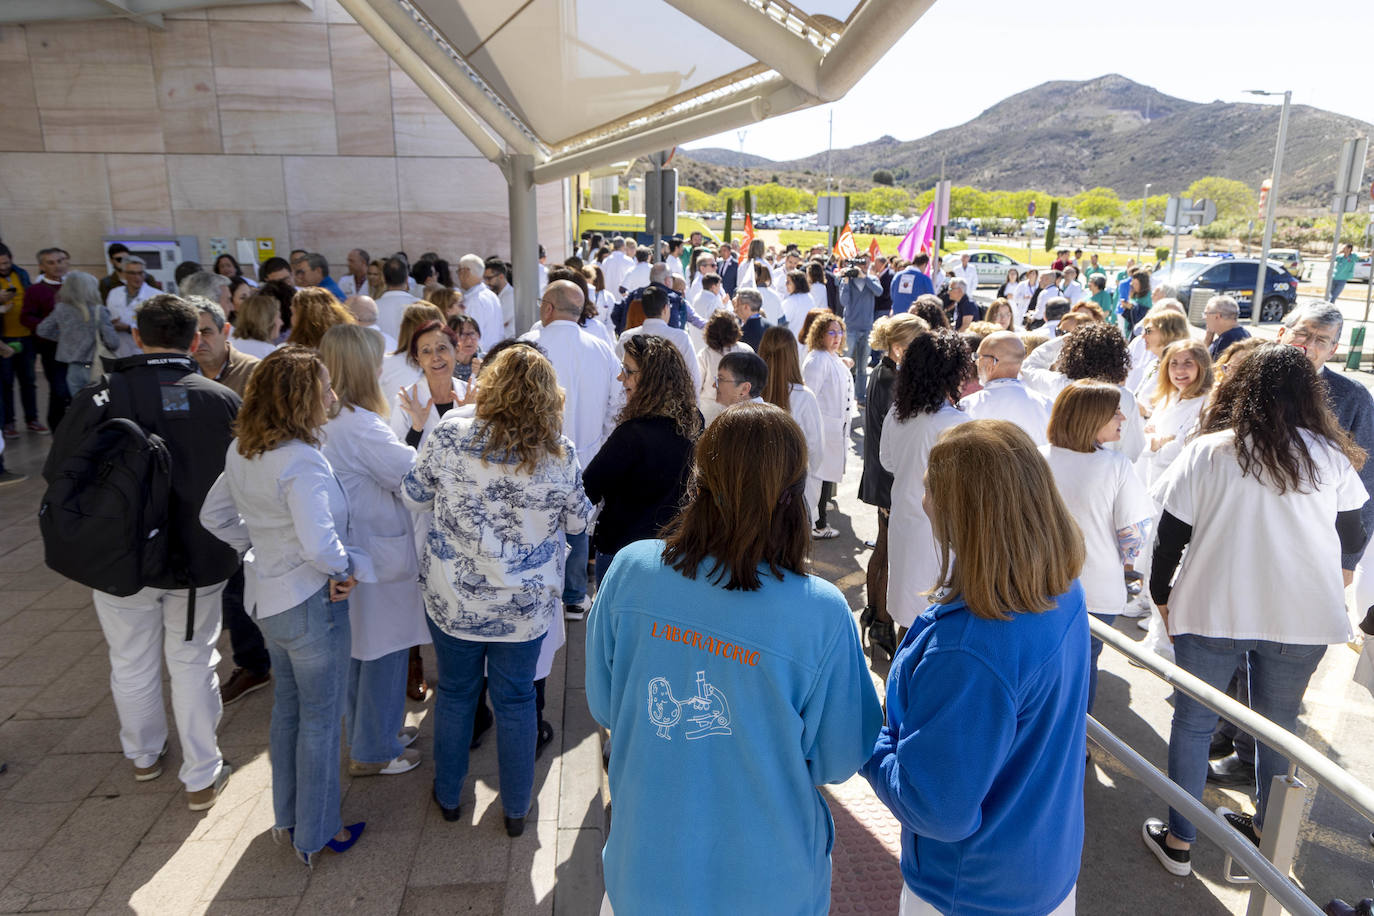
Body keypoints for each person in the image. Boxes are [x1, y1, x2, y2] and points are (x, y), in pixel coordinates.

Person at [586, 402, 883, 915]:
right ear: (794, 495)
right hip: (770, 880)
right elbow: (839, 758)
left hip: (645, 869)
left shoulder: (630, 569)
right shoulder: (819, 612)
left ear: (698, 480)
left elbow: (605, 703)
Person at [1142, 343, 1368, 877]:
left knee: (1194, 723)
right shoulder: (1331, 457)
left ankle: (1180, 839)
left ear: (1243, 389)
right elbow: (1354, 533)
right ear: (1310, 394)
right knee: (1278, 726)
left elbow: (1171, 537)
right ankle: (1266, 837)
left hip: (1212, 603)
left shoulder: (1210, 450)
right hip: (1301, 614)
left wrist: (1160, 596)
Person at [864, 420, 1090, 916]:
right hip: (1041, 864)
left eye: (930, 487)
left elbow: (936, 809)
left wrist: (868, 737)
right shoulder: (1061, 587)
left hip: (967, 890)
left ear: (964, 514)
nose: (923, 497)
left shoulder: (968, 651)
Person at [45, 293, 241, 812]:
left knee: (131, 658)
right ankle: (201, 773)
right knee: (193, 659)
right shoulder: (219, 399)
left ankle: (144, 757)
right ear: (195, 340)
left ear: (137, 336)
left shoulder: (99, 396)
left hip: (119, 559)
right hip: (199, 559)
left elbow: (57, 475)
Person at [402, 345, 590, 835]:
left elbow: (414, 494)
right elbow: (578, 520)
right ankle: (515, 809)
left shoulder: (449, 433)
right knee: (515, 700)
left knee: (457, 694)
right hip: (523, 610)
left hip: (454, 601)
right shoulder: (559, 450)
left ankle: (448, 796)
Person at [199, 346, 364, 865]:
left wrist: (259, 547)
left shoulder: (245, 450)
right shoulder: (301, 461)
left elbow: (215, 515)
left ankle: (290, 817)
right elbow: (319, 545)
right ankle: (316, 832)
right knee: (318, 718)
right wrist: (344, 572)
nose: (333, 396)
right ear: (301, 399)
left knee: (290, 712)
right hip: (311, 602)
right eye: (325, 388)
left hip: (270, 600)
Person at [319, 325, 428, 778]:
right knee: (385, 648)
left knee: (362, 648)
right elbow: (413, 477)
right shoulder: (360, 425)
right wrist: (423, 432)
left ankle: (371, 731)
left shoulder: (332, 418)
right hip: (375, 552)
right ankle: (374, 748)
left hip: (355, 548)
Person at [1043, 381, 1153, 712]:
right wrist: (1129, 561)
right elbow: (1133, 533)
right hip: (1095, 587)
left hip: (1038, 581)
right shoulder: (1116, 466)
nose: (1123, 416)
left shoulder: (1035, 457)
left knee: (1045, 668)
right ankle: (1078, 745)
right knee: (1083, 668)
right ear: (1090, 417)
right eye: (1114, 411)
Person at [522, 279, 623, 621]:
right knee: (577, 521)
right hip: (588, 453)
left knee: (535, 522)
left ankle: (539, 588)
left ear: (547, 308)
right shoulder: (601, 348)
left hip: (533, 454)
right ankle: (575, 596)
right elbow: (616, 404)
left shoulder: (528, 346)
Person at [584, 334, 701, 585]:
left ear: (652, 379)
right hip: (673, 552)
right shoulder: (693, 421)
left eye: (628, 371)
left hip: (623, 554)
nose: (620, 377)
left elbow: (588, 488)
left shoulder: (633, 433)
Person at [881, 331, 974, 627]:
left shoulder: (897, 413)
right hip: (941, 532)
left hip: (904, 521)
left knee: (907, 615)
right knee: (934, 616)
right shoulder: (957, 423)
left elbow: (887, 461)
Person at [857, 314, 927, 661]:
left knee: (884, 552)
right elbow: (892, 444)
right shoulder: (892, 380)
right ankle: (881, 620)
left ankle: (876, 616)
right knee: (887, 554)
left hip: (883, 479)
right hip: (888, 483)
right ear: (899, 347)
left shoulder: (885, 372)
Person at [758, 326, 825, 529]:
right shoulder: (804, 396)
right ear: (793, 356)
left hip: (757, 493)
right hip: (795, 495)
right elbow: (817, 450)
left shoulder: (750, 392)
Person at [802, 312, 855, 539]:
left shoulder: (830, 357)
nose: (836, 336)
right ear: (820, 335)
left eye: (839, 331)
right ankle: (817, 523)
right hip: (822, 428)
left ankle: (819, 515)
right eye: (831, 332)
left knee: (823, 477)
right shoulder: (816, 360)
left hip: (833, 428)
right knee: (816, 478)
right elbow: (809, 397)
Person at [959, 331, 1052, 445]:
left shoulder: (967, 406)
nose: (976, 362)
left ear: (991, 363)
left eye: (978, 357)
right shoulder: (1046, 404)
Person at [1142, 340, 1212, 486]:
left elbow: (1182, 451)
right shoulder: (1169, 397)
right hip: (1151, 482)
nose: (1179, 370)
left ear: (1202, 367)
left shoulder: (1206, 403)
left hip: (1178, 487)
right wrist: (1159, 442)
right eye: (1174, 363)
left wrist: (1155, 444)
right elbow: (1143, 437)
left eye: (1188, 363)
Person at [35, 270, 118, 393]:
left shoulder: (61, 308)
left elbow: (42, 330)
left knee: (80, 407)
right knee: (102, 407)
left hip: (72, 368)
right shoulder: (99, 310)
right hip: (96, 366)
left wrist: (64, 338)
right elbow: (113, 343)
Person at [839, 260, 881, 400]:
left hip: (867, 328)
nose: (862, 267)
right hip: (850, 327)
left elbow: (879, 292)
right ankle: (844, 394)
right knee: (846, 364)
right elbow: (843, 301)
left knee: (862, 367)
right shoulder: (848, 281)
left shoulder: (872, 279)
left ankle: (860, 396)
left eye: (865, 265)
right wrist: (845, 282)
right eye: (860, 265)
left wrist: (865, 277)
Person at [286, 287, 354, 349]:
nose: (291, 319)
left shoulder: (293, 352)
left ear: (305, 318)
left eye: (293, 313)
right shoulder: (349, 342)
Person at [231, 292, 283, 360]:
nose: (281, 322)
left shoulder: (227, 345)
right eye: (278, 317)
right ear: (268, 321)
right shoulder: (271, 354)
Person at [1202, 294, 1250, 361]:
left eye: (1206, 314)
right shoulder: (1244, 333)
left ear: (1217, 316)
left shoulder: (1226, 341)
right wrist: (1208, 337)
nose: (1204, 318)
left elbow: (1204, 364)